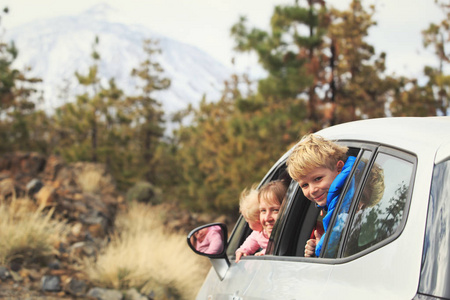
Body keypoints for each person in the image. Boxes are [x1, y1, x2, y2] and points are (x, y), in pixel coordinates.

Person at [286, 133, 356, 257]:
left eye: (318, 178)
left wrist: (320, 250)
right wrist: (316, 247)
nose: (312, 190)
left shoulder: (351, 200)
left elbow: (334, 247)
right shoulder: (334, 204)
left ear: (339, 168)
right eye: (304, 185)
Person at [235, 180, 287, 262]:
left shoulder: (287, 233)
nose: (267, 218)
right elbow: (251, 240)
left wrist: (264, 253)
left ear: (287, 210)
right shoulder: (261, 233)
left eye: (275, 210)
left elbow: (277, 247)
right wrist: (243, 250)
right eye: (263, 210)